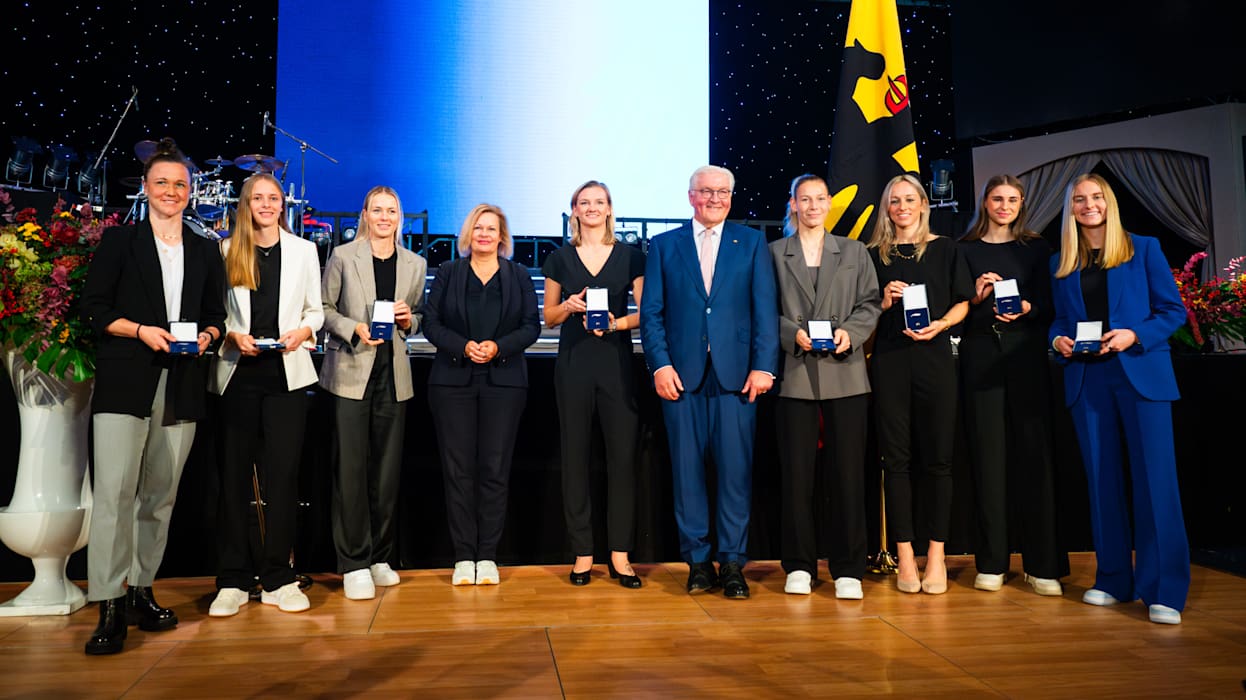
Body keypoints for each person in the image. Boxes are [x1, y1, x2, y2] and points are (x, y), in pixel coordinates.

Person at [79, 137, 226, 655]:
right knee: (115, 496)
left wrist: (207, 337)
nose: (171, 191)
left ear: (191, 192)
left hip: (181, 382)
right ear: (145, 187)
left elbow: (216, 316)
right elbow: (94, 309)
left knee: (160, 497)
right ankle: (108, 603)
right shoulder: (120, 241)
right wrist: (141, 330)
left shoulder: (205, 249)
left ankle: (142, 590)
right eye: (161, 182)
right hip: (126, 379)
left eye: (179, 184)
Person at [1049, 173, 1189, 625]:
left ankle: (1164, 590)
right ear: (1070, 209)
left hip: (1141, 375)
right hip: (1088, 380)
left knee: (1155, 483)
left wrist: (1134, 335)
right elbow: (1060, 321)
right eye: (1079, 199)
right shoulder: (1062, 261)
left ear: (1109, 202)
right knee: (1101, 482)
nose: (1089, 205)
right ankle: (1112, 578)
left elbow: (1172, 311)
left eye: (1096, 197)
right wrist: (1057, 341)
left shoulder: (1143, 248)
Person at [639, 165, 779, 599]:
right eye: (706, 191)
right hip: (681, 379)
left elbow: (765, 310)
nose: (715, 198)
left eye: (723, 192)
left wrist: (764, 367)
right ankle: (698, 562)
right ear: (690, 197)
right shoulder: (664, 245)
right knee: (687, 473)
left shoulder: (751, 243)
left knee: (735, 474)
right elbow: (651, 313)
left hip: (737, 379)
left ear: (731, 198)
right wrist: (660, 366)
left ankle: (732, 562)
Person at [207, 173, 324, 616]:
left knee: (282, 479)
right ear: (246, 204)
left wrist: (303, 332)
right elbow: (215, 313)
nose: (267, 204)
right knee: (233, 480)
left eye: (273, 198)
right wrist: (232, 336)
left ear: (283, 204)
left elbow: (315, 311)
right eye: (258, 198)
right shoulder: (225, 250)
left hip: (286, 377)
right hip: (237, 376)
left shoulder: (304, 250)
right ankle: (233, 580)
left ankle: (278, 577)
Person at [770, 174, 881, 599]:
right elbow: (762, 308)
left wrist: (851, 333)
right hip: (795, 375)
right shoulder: (774, 253)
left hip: (845, 372)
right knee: (797, 476)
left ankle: (848, 568)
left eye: (820, 198)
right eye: (805, 199)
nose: (813, 206)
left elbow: (870, 303)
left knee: (848, 475)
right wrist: (789, 333)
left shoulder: (854, 251)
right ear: (793, 204)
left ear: (830, 202)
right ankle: (799, 566)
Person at [959, 175, 1069, 596]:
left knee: (1034, 458)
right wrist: (975, 296)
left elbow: (1052, 306)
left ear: (1021, 204)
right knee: (988, 460)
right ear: (984, 203)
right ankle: (992, 561)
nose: (1004, 206)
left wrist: (1028, 307)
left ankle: (1042, 565)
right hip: (980, 357)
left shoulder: (1037, 248)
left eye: (1012, 199)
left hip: (1026, 358)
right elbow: (954, 307)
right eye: (997, 198)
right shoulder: (964, 249)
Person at [422, 203, 540, 587]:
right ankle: (463, 557)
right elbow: (431, 323)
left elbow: (531, 326)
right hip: (452, 383)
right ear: (468, 234)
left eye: (491, 229)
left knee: (494, 470)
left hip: (504, 384)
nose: (484, 234)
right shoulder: (448, 272)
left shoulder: (518, 275)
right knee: (458, 472)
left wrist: (498, 347)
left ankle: (487, 556)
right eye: (478, 228)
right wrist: (463, 346)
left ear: (502, 236)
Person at [319, 186, 427, 600]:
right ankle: (353, 562)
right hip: (350, 371)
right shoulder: (344, 256)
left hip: (393, 375)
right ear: (365, 214)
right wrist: (354, 328)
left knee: (386, 472)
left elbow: (418, 317)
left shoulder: (415, 264)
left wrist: (408, 320)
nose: (384, 217)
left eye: (391, 211)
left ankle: (380, 556)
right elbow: (323, 309)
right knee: (350, 471)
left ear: (400, 217)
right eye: (377, 210)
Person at [866, 173, 972, 595]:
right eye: (895, 201)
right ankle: (905, 555)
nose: (902, 207)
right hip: (890, 363)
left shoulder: (947, 249)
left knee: (939, 461)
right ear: (886, 208)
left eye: (910, 199)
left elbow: (964, 302)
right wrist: (883, 302)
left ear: (924, 204)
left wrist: (941, 324)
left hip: (936, 361)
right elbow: (862, 317)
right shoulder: (873, 255)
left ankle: (936, 555)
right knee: (896, 461)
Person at [542, 181, 646, 588]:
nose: (591, 208)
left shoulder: (632, 256)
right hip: (573, 365)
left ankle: (620, 555)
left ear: (609, 209)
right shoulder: (559, 258)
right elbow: (548, 317)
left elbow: (647, 312)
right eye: (583, 202)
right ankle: (583, 553)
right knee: (575, 459)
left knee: (623, 460)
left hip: (617, 364)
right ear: (574, 210)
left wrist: (617, 324)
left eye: (598, 202)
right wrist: (568, 306)